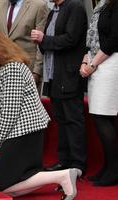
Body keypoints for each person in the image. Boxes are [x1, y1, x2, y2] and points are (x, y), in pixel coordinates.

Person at [0, 31, 81, 200]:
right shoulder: (4, 68)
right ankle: (62, 176)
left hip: (24, 131)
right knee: (0, 185)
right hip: (18, 131)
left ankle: (63, 176)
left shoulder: (12, 68)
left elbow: (10, 112)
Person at [31, 0, 88, 175]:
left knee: (73, 120)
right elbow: (50, 41)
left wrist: (43, 38)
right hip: (54, 75)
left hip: (69, 75)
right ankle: (64, 162)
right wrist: (41, 39)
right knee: (61, 120)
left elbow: (71, 39)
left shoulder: (75, 7)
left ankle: (78, 165)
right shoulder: (53, 10)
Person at [80, 0, 118, 186]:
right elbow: (91, 39)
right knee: (101, 116)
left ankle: (114, 169)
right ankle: (109, 166)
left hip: (110, 62)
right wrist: (86, 62)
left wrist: (93, 64)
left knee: (102, 116)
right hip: (97, 62)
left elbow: (114, 39)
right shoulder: (101, 5)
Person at [0, 0, 49, 87]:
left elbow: (41, 42)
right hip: (2, 69)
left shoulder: (39, 5)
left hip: (28, 70)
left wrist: (36, 72)